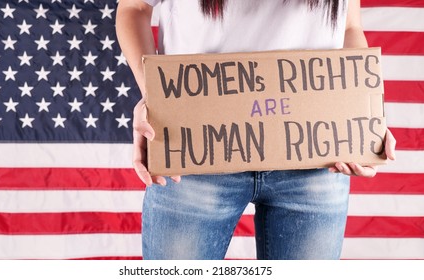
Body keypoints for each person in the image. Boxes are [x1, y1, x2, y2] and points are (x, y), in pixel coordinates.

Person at [116, 0, 396, 260]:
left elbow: (349, 26)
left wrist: (363, 112)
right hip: (195, 151)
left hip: (315, 157)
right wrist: (155, 98)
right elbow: (134, 7)